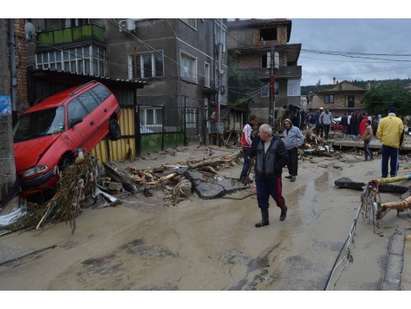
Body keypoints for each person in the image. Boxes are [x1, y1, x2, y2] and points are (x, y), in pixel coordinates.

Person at [249, 124, 288, 227]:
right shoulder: (258, 141)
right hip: (260, 176)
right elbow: (251, 153)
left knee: (277, 196)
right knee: (261, 197)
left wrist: (276, 168)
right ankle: (265, 220)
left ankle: (283, 208)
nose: (258, 134)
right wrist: (253, 142)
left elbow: (284, 158)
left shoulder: (278, 142)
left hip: (273, 177)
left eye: (260, 133)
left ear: (266, 134)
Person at [376, 106, 404, 178]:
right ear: (395, 113)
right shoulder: (399, 120)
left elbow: (378, 133)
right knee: (394, 161)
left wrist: (382, 140)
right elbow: (401, 133)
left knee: (384, 161)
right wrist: (400, 143)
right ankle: (393, 175)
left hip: (385, 144)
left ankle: (384, 175)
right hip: (395, 145)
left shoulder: (382, 120)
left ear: (388, 112)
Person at [239, 115, 257, 184]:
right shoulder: (247, 127)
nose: (256, 122)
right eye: (255, 120)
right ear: (252, 120)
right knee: (247, 163)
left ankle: (245, 177)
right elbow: (247, 138)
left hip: (248, 146)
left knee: (249, 163)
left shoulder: (250, 127)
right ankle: (242, 178)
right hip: (247, 147)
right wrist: (252, 145)